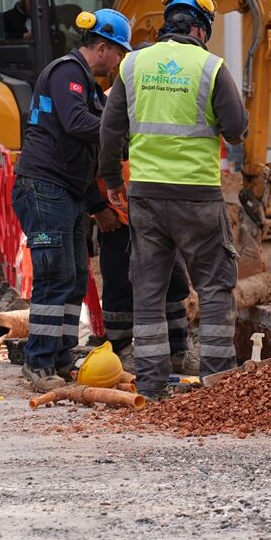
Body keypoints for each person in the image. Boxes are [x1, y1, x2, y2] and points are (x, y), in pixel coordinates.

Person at [99, 0, 248, 401]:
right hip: (197, 195)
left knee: (148, 290)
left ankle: (149, 385)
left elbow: (110, 131)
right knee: (215, 285)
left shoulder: (133, 64)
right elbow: (236, 129)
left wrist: (112, 180)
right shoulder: (211, 66)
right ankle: (217, 383)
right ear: (202, 29)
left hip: (145, 194)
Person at [11, 8, 132, 392]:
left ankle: (60, 356)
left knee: (76, 277)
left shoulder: (86, 84)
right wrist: (119, 131)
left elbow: (80, 159)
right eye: (119, 53)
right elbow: (76, 123)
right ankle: (39, 362)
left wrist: (98, 205)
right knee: (55, 275)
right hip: (44, 188)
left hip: (64, 191)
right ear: (101, 47)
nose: (119, 62)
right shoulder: (67, 73)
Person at [96, 147, 195, 376]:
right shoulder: (105, 117)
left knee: (174, 280)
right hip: (118, 215)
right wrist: (98, 208)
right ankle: (120, 348)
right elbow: (89, 162)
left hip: (157, 210)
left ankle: (177, 349)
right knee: (119, 283)